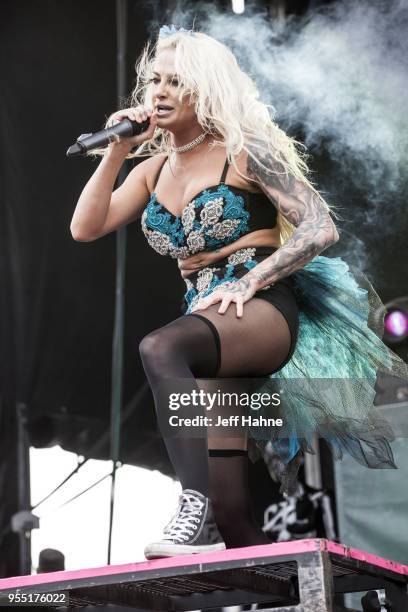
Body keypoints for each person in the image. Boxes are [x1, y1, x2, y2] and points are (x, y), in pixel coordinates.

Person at [70, 25, 408, 560]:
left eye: (175, 82)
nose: (158, 92)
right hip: (210, 326)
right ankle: (280, 584)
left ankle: (190, 501)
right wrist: (117, 150)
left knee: (160, 347)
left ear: (203, 90)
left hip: (261, 311)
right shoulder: (153, 167)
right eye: (154, 80)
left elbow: (321, 227)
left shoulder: (244, 151)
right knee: (235, 517)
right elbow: (85, 228)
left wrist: (252, 279)